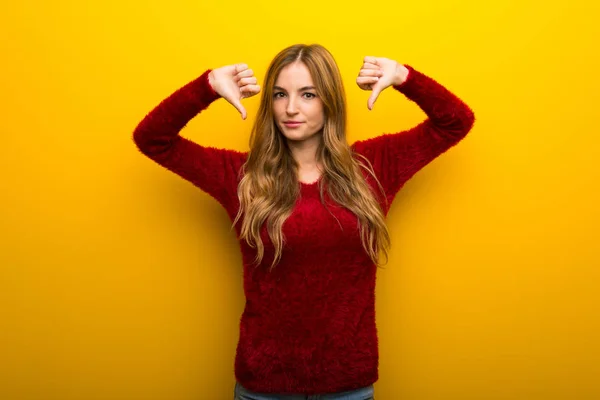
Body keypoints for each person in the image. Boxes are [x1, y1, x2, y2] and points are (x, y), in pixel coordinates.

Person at [133, 43, 475, 400]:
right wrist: (206, 87)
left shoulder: (373, 167)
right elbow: (152, 139)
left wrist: (404, 77)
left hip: (348, 386)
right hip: (263, 388)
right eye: (280, 95)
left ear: (330, 101)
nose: (291, 108)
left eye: (307, 94)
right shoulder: (240, 176)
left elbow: (455, 122)